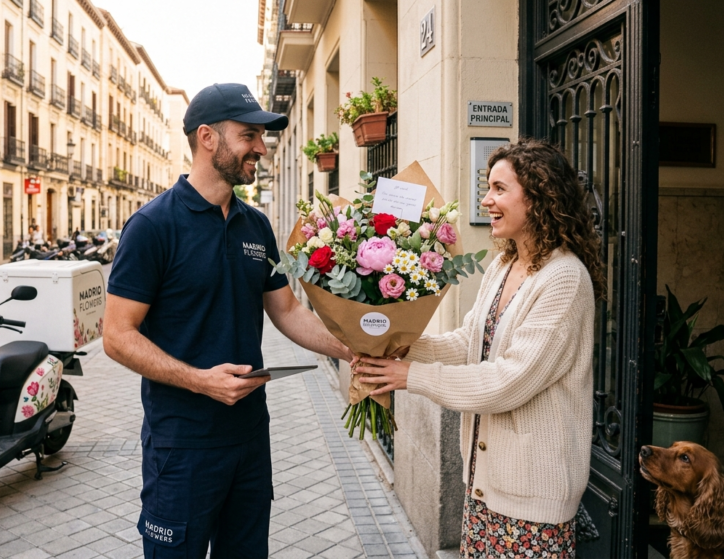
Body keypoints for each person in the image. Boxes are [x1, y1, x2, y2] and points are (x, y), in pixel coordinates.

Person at [103, 83, 353, 559]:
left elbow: (288, 311)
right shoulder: (153, 226)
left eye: (261, 136)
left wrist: (350, 348)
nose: (260, 147)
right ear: (207, 138)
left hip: (249, 440)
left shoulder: (255, 225)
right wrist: (199, 381)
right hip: (181, 446)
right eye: (249, 135)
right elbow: (116, 336)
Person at [354, 139, 605, 558]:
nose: (486, 200)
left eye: (499, 189)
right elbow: (468, 342)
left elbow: (508, 380)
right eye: (487, 188)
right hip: (484, 487)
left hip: (532, 503)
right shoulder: (504, 265)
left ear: (540, 196)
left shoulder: (565, 278)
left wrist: (410, 377)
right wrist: (398, 347)